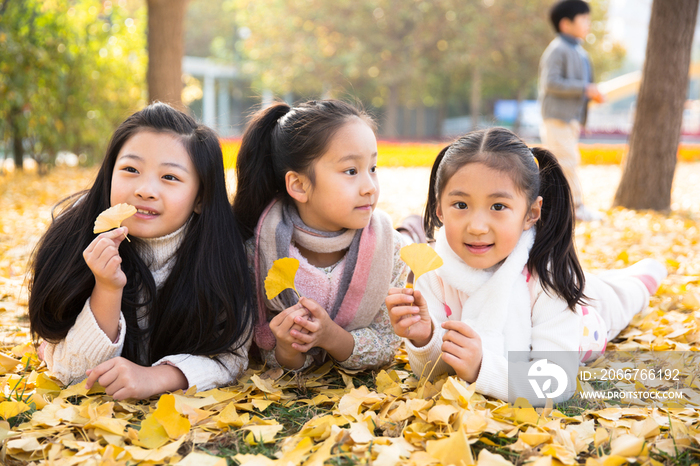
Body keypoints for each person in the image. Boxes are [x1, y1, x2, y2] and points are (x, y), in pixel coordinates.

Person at [386, 127, 667, 405]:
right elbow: (436, 369)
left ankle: (644, 277)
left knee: (623, 295)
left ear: (531, 213)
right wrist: (425, 338)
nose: (477, 227)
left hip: (587, 315)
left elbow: (557, 381)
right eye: (460, 204)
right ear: (439, 209)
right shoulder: (434, 271)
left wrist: (483, 367)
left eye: (498, 207)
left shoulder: (550, 279)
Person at [28, 103, 255, 400]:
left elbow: (230, 356)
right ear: (109, 174)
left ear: (200, 198)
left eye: (170, 177)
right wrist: (107, 288)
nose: (145, 189)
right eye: (130, 170)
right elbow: (73, 376)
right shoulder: (73, 239)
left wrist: (155, 377)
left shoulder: (221, 255)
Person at [234, 100, 408, 371]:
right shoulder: (259, 252)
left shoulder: (390, 250)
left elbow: (386, 345)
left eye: (373, 168)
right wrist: (287, 349)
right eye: (351, 171)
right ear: (299, 185)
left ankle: (415, 226)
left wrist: (332, 337)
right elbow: (266, 350)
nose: (370, 187)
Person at [538, 0, 604, 222]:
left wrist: (591, 93)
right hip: (557, 117)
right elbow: (551, 82)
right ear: (566, 24)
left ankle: (559, 208)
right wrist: (585, 89)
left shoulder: (579, 51)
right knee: (565, 162)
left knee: (565, 161)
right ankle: (575, 208)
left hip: (569, 118)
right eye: (584, 19)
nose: (589, 24)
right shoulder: (558, 49)